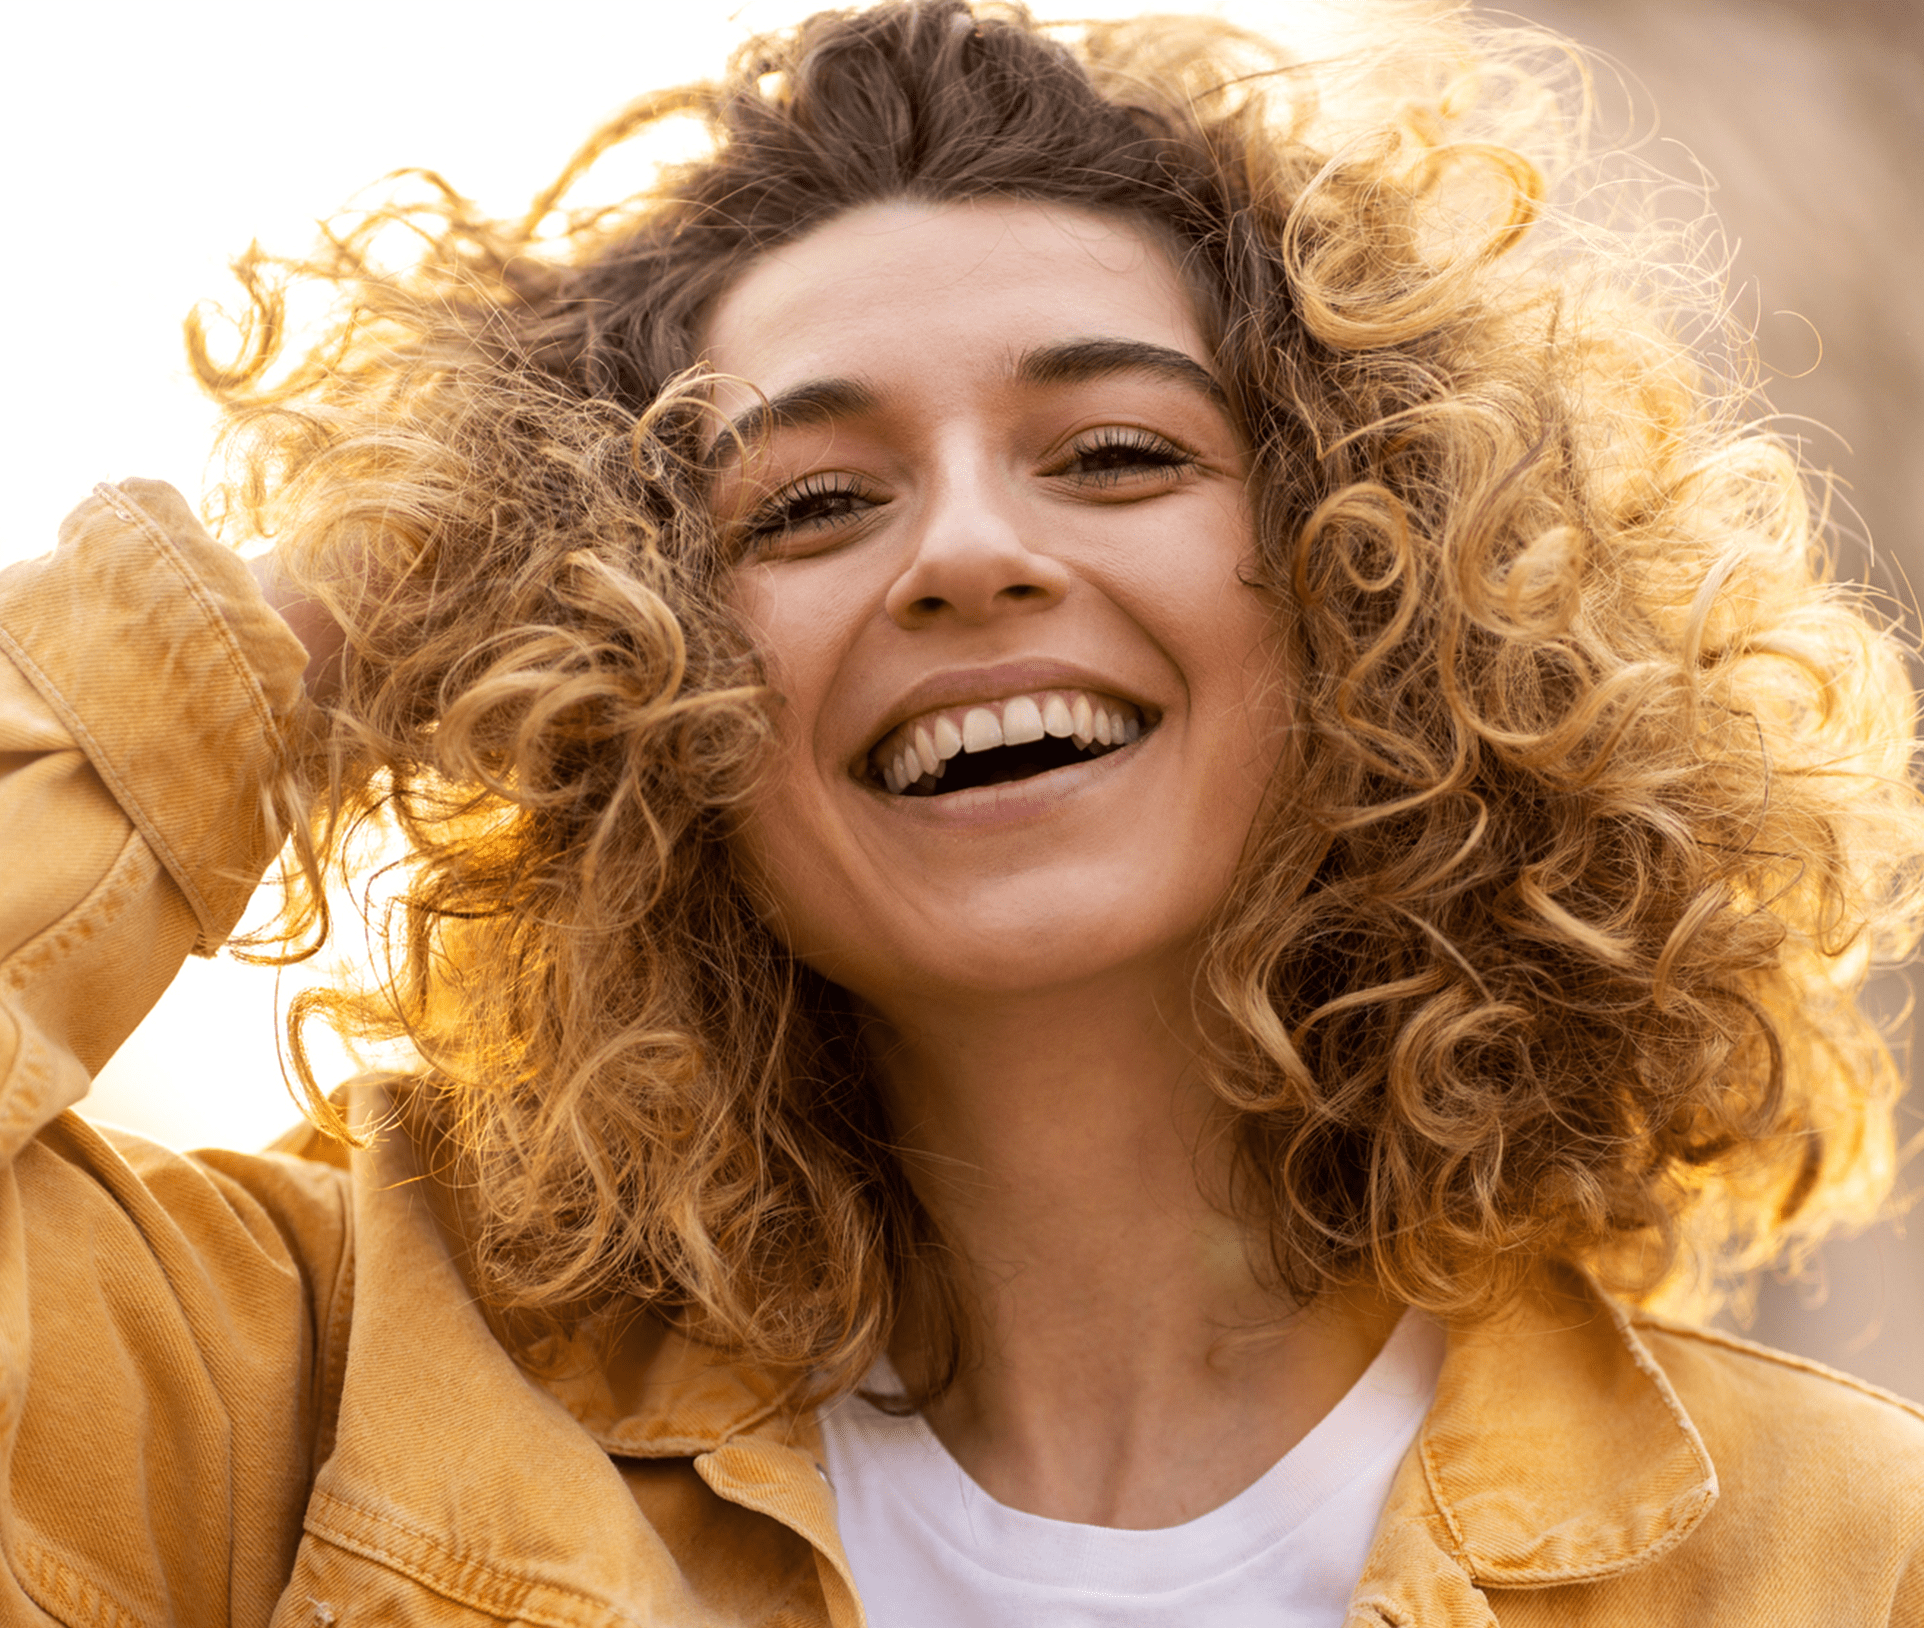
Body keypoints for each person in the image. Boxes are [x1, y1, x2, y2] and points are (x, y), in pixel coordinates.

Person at [2, 1, 1921, 1622]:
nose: (972, 552)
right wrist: (335, 616)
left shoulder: (1834, 1548)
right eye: (811, 505)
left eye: (1113, 454)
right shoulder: (301, 1397)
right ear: (628, 658)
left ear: (1384, 587)